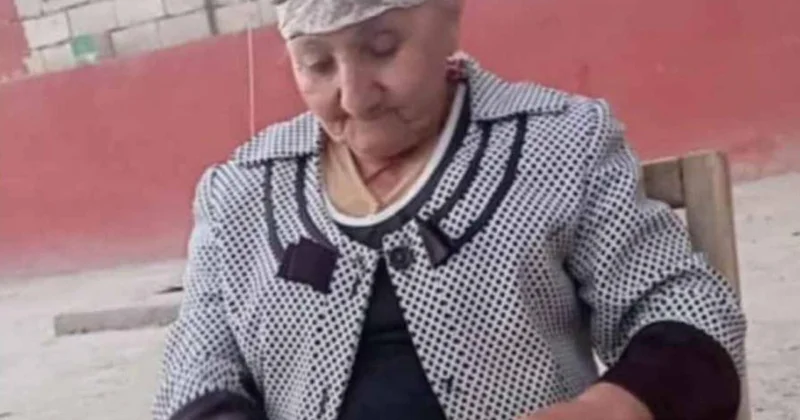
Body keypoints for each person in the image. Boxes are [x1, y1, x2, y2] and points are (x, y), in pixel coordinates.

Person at [153, 0, 747, 419]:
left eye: (383, 48)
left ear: (450, 19)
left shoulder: (558, 144)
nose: (355, 97)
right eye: (317, 64)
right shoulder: (241, 191)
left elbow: (682, 302)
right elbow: (197, 367)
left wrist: (613, 408)